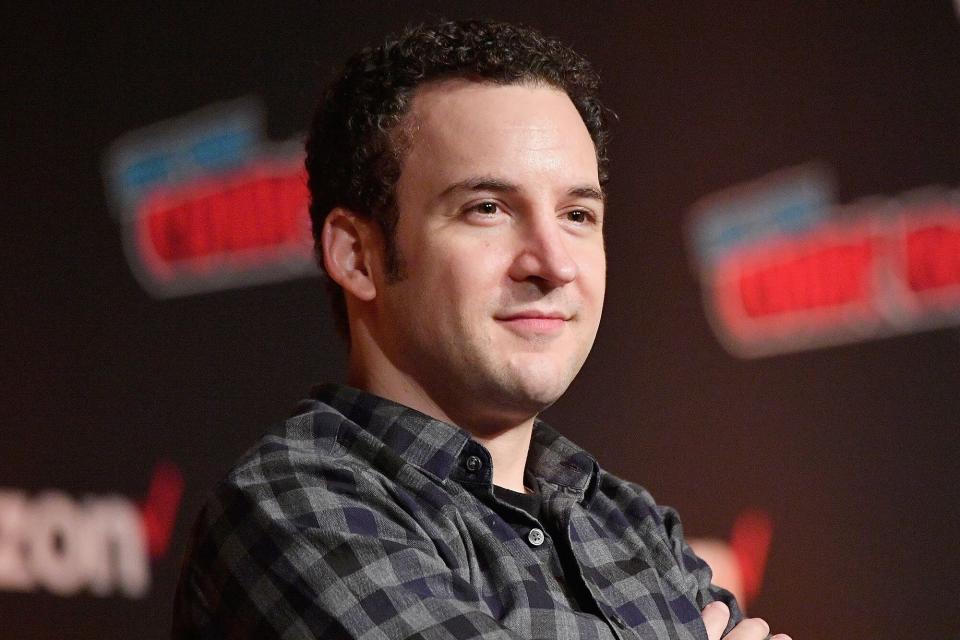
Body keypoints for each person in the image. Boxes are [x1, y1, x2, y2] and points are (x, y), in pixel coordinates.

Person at [173, 19, 789, 640]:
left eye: (577, 214)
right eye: (487, 209)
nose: (553, 264)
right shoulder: (294, 510)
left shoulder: (631, 525)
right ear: (357, 256)